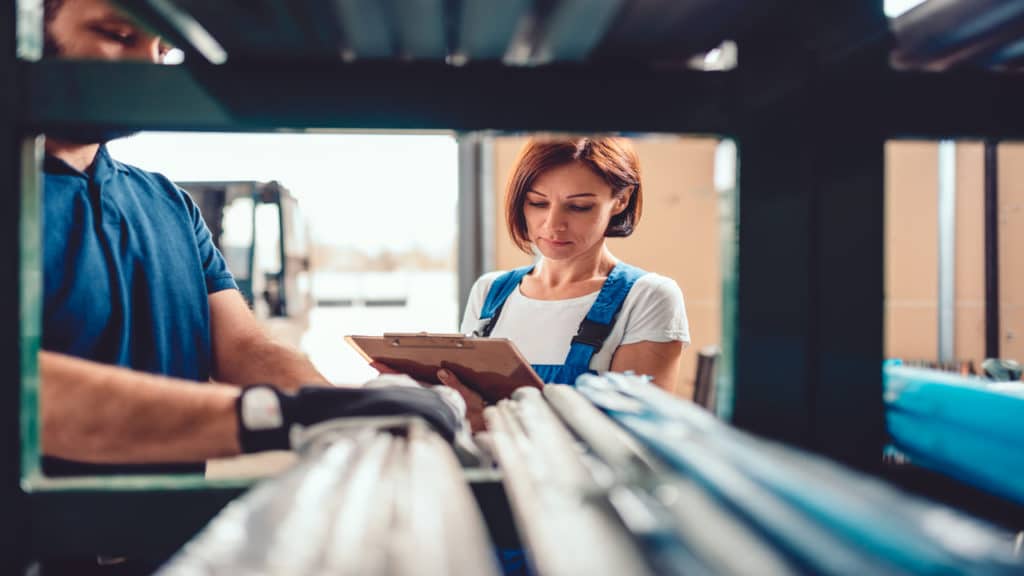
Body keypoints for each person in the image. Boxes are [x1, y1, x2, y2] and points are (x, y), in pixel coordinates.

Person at [37, 0, 461, 474]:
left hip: (165, 532)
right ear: (29, 28)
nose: (149, 65)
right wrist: (278, 417)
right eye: (117, 35)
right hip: (31, 540)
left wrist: (343, 407)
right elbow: (26, 395)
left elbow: (243, 349)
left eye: (163, 48)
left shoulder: (167, 204)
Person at [444, 137, 689, 428]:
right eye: (538, 202)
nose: (552, 224)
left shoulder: (648, 297)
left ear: (621, 200)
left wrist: (485, 417)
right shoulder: (489, 292)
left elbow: (633, 438)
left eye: (580, 206)